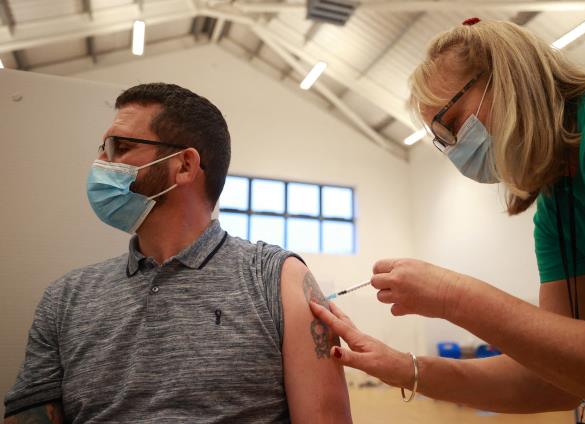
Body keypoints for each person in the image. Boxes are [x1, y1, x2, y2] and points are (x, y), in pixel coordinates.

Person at [310, 18, 585, 421]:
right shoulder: (557, 207)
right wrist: (401, 366)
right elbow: (556, 380)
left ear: (505, 78)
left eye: (453, 124)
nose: (456, 150)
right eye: (444, 141)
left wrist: (454, 297)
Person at [4, 83, 352, 423]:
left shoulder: (275, 278)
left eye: (120, 147)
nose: (100, 162)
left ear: (184, 165)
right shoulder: (66, 298)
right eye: (102, 148)